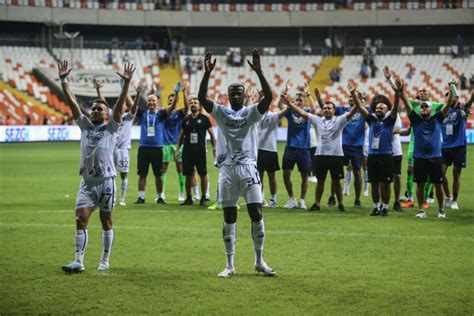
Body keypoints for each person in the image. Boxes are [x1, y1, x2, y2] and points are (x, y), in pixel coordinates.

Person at [198, 49, 275, 278]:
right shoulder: (221, 113)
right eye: (232, 93)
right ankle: (230, 265)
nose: (235, 95)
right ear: (227, 95)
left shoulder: (251, 113)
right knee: (229, 217)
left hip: (249, 168)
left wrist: (260, 72)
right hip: (228, 170)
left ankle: (259, 261)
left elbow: (269, 98)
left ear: (244, 95)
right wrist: (206, 74)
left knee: (256, 213)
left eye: (239, 93)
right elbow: (202, 99)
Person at [59, 60, 135, 273]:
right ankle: (79, 262)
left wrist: (126, 85)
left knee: (106, 221)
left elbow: (120, 106)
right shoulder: (84, 125)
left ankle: (104, 260)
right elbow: (72, 102)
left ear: (107, 114)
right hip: (87, 182)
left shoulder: (111, 127)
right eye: (93, 108)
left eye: (99, 109)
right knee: (80, 219)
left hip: (106, 182)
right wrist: (64, 80)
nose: (94, 111)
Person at [281, 83, 359, 212]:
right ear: (323, 110)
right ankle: (316, 204)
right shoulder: (317, 120)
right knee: (321, 181)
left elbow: (354, 111)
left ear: (334, 111)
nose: (327, 110)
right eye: (325, 108)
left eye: (330, 108)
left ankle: (340, 204)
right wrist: (289, 104)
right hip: (320, 155)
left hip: (336, 155)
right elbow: (302, 112)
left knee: (336, 181)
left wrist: (354, 96)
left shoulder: (339, 120)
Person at [384, 67, 444, 209]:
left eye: (425, 90)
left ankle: (427, 196)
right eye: (420, 91)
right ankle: (411, 197)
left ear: (430, 94)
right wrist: (389, 79)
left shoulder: (437, 106)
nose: (422, 92)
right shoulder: (415, 105)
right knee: (411, 170)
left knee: (432, 175)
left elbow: (452, 105)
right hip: (415, 142)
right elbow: (399, 91)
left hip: (433, 143)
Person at [400, 81, 452, 219]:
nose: (423, 108)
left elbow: (449, 104)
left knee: (438, 185)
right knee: (420, 185)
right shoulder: (415, 120)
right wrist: (400, 90)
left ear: (431, 109)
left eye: (426, 106)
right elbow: (406, 103)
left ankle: (441, 210)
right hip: (420, 158)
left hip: (435, 157)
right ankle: (421, 210)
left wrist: (452, 88)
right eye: (421, 107)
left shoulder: (438, 119)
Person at [352, 80, 400, 216]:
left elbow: (396, 106)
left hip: (386, 155)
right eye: (377, 108)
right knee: (374, 183)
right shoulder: (371, 119)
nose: (379, 110)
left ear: (387, 111)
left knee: (386, 183)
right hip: (373, 156)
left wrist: (396, 92)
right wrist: (353, 94)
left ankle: (385, 207)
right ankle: (376, 207)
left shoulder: (390, 121)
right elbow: (359, 106)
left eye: (382, 108)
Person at [93, 79, 142, 206]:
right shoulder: (111, 115)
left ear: (125, 107)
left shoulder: (128, 117)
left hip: (123, 149)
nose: (119, 105)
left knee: (124, 175)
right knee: (108, 174)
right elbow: (102, 103)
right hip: (109, 149)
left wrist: (137, 95)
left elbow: (134, 107)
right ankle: (108, 194)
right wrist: (98, 89)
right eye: (117, 104)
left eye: (123, 104)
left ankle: (122, 199)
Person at [134, 83, 178, 204]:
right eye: (149, 101)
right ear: (147, 102)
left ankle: (160, 197)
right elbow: (130, 105)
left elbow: (173, 106)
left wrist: (177, 94)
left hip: (158, 148)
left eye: (153, 101)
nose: (151, 103)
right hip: (143, 148)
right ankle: (141, 197)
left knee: (158, 174)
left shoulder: (161, 114)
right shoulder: (143, 113)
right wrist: (136, 93)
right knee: (142, 174)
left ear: (157, 102)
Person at [281, 82, 316, 210]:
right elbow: (280, 105)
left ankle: (302, 200)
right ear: (294, 101)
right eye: (297, 100)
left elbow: (314, 110)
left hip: (304, 148)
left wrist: (308, 94)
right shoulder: (290, 111)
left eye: (301, 100)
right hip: (290, 146)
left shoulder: (306, 112)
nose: (299, 102)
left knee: (304, 176)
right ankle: (291, 198)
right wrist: (285, 92)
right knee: (286, 173)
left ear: (304, 102)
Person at [176, 96, 216, 206]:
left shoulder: (205, 119)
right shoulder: (186, 119)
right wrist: (178, 149)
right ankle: (188, 197)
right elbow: (181, 136)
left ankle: (203, 197)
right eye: (191, 103)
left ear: (199, 106)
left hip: (200, 151)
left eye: (195, 103)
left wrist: (214, 147)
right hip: (187, 151)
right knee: (188, 174)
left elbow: (212, 134)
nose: (193, 104)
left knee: (203, 173)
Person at [442, 91, 472, 210]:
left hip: (459, 146)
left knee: (456, 174)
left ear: (457, 98)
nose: (450, 97)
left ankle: (454, 200)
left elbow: (469, 104)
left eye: (453, 95)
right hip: (444, 146)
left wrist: (472, 97)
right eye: (448, 96)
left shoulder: (461, 110)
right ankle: (448, 196)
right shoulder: (443, 111)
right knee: (440, 173)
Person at [162, 83, 188, 202]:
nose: (171, 101)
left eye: (173, 100)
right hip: (165, 143)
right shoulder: (164, 113)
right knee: (164, 169)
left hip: (178, 144)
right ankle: (161, 193)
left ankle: (181, 193)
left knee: (180, 170)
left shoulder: (180, 113)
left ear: (176, 101)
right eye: (169, 100)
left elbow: (187, 108)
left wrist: (183, 92)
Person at [257, 105, 286, 208]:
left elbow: (283, 112)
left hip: (270, 150)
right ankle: (261, 199)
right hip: (257, 150)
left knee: (271, 176)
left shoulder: (273, 115)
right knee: (259, 177)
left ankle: (273, 199)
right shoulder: (255, 115)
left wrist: (289, 104)